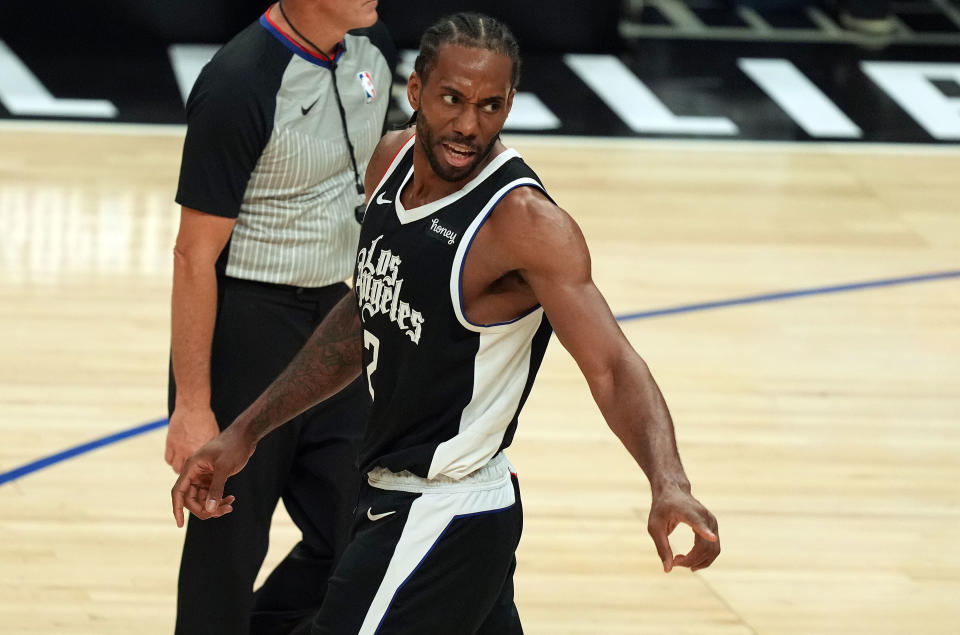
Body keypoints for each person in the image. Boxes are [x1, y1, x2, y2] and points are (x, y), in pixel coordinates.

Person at [172, 12, 720, 635]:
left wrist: (667, 481)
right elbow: (362, 314)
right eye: (453, 100)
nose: (468, 125)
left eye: (490, 106)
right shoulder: (390, 164)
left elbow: (614, 366)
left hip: (443, 511)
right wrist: (246, 431)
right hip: (401, 498)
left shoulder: (525, 224)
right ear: (416, 93)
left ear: (510, 104)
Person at [166, 0, 395, 632]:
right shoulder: (240, 81)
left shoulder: (372, 52)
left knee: (357, 534)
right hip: (251, 324)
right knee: (227, 554)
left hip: (341, 321)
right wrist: (192, 405)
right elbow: (194, 255)